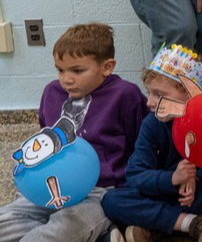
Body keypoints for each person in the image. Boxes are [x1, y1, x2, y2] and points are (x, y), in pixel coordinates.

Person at [0, 24, 147, 242]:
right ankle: (102, 235)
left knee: (63, 229)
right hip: (49, 190)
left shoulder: (126, 95)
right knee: (5, 221)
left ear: (106, 67)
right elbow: (44, 139)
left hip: (98, 191)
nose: (67, 79)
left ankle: (97, 229)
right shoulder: (51, 92)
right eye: (60, 70)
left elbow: (142, 146)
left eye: (77, 71)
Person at [102, 45, 202, 242]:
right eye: (149, 93)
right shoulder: (151, 124)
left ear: (190, 94)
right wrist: (172, 179)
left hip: (195, 196)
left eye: (159, 95)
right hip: (161, 192)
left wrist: (195, 176)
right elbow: (135, 175)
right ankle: (191, 224)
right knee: (111, 200)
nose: (149, 102)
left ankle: (155, 226)